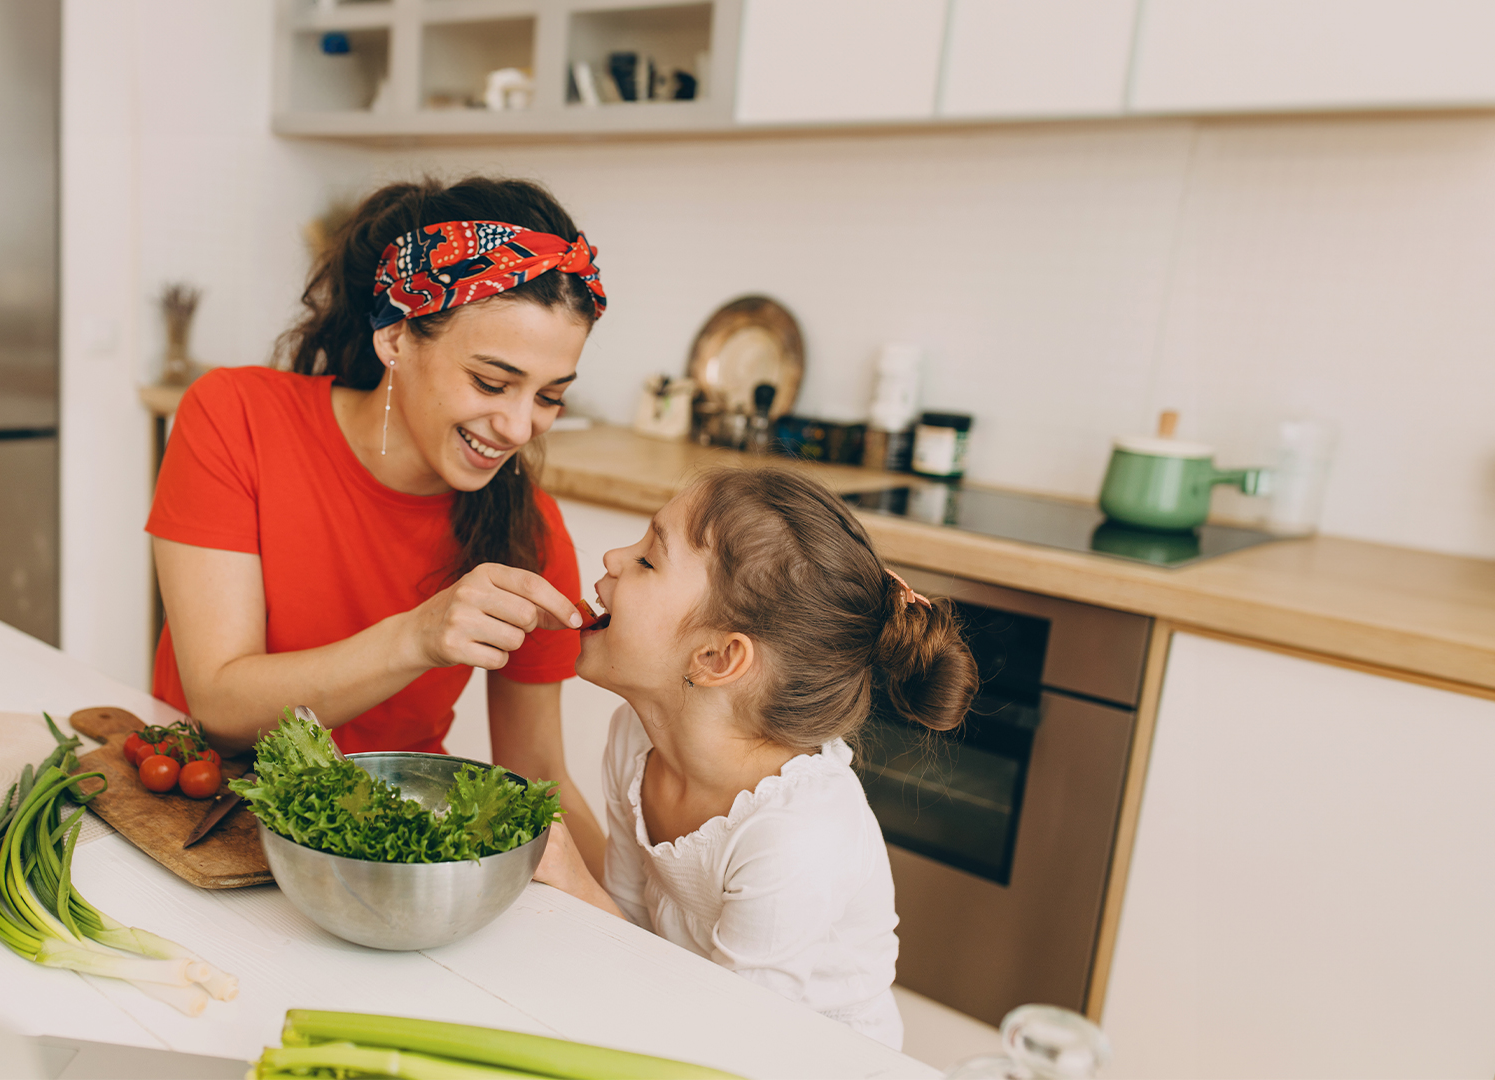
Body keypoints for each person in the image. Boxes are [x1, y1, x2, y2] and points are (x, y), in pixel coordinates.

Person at [147, 177, 610, 872]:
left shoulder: (531, 530)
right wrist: (421, 635)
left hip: (389, 860)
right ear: (395, 337)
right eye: (491, 382)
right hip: (198, 823)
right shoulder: (236, 417)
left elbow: (539, 780)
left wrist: (646, 925)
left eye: (550, 397)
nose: (520, 427)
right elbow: (219, 702)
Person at [531, 467, 979, 1049]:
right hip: (673, 1025)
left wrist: (577, 888)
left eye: (648, 559)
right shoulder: (635, 739)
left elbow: (732, 1042)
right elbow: (632, 934)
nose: (614, 557)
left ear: (717, 657)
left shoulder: (797, 837)